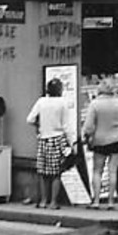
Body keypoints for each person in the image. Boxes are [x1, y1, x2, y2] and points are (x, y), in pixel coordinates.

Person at [82, 78, 118, 210]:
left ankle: (97, 201)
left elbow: (89, 126)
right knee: (113, 171)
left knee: (97, 171)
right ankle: (111, 201)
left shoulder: (95, 104)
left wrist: (86, 137)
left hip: (100, 140)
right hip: (117, 139)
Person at [26, 78, 74, 209]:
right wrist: (72, 142)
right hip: (57, 139)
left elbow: (30, 119)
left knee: (42, 172)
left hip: (43, 139)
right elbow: (66, 125)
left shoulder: (41, 101)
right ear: (60, 89)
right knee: (56, 173)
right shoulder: (62, 103)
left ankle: (43, 200)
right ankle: (53, 202)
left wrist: (39, 125)